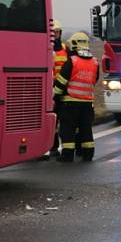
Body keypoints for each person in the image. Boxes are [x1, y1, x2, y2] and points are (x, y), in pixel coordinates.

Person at [53, 32, 100, 162]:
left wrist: (56, 96)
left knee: (67, 128)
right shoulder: (95, 62)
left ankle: (67, 155)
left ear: (74, 44)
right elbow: (94, 80)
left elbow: (61, 82)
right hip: (87, 103)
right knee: (86, 129)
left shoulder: (71, 61)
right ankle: (88, 153)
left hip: (70, 103)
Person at [49, 19, 68, 158]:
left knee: (65, 119)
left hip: (64, 88)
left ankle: (66, 147)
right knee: (52, 121)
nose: (55, 34)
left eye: (57, 32)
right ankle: (53, 147)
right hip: (50, 89)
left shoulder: (65, 48)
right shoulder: (46, 49)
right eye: (53, 32)